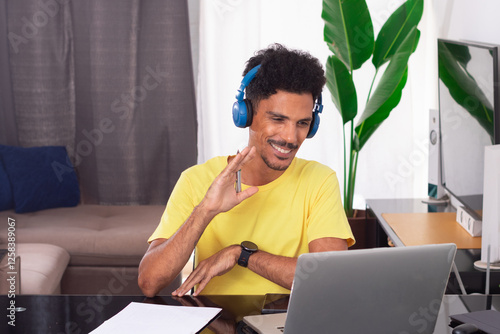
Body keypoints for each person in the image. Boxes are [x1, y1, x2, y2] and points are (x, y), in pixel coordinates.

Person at [138, 44, 354, 297]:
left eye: (303, 123)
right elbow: (149, 282)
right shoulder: (197, 179)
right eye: (277, 119)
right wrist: (206, 209)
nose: (290, 137)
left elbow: (330, 279)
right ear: (245, 114)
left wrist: (242, 254)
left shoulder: (319, 181)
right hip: (215, 320)